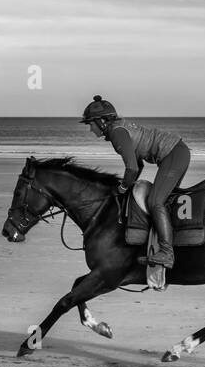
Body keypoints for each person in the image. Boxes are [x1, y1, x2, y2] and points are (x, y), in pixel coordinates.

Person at [79, 96, 189, 268]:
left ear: (101, 121)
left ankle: (167, 254)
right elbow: (138, 164)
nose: (90, 129)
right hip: (177, 152)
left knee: (155, 202)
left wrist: (122, 188)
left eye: (90, 124)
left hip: (174, 154)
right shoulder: (118, 129)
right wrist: (127, 186)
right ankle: (167, 244)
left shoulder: (117, 132)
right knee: (164, 202)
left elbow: (132, 169)